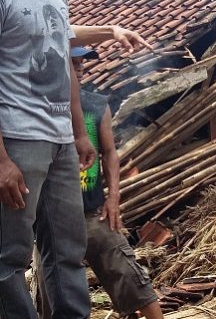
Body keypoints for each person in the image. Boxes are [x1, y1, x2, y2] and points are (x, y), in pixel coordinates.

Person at [0, 0, 151, 317]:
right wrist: (1, 159)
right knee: (9, 255)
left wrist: (79, 133)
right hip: (18, 139)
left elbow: (64, 49)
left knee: (67, 249)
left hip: (60, 141)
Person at [35, 47, 163, 319]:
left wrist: (113, 197)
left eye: (82, 62)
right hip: (52, 218)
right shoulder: (41, 105)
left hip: (93, 212)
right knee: (52, 298)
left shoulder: (95, 104)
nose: (79, 67)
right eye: (73, 62)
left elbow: (109, 152)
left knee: (132, 279)